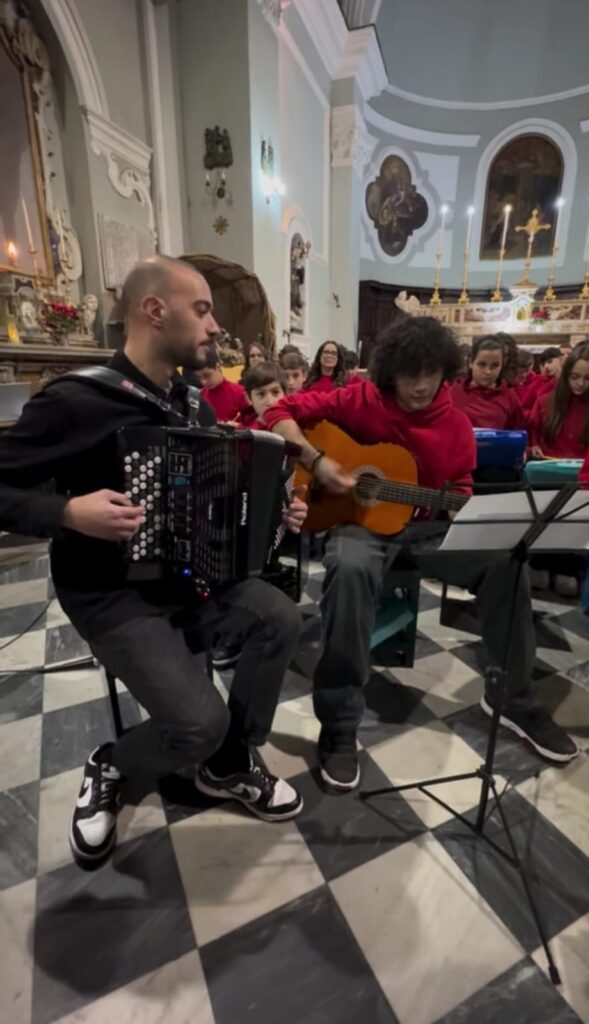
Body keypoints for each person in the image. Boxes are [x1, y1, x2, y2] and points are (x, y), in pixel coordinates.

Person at [0, 256, 308, 863]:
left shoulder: (194, 406)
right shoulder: (75, 401)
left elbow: (228, 498)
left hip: (186, 578)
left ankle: (227, 761)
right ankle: (113, 764)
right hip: (109, 593)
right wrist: (68, 513)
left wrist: (276, 516)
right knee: (197, 722)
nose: (215, 325)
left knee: (280, 618)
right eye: (202, 310)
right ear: (153, 311)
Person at [264, 316, 578, 790]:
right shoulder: (361, 399)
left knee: (504, 562)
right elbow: (278, 412)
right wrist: (317, 461)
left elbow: (462, 488)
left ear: (446, 371)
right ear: (390, 373)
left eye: (430, 373)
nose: (419, 385)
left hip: (431, 531)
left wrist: (463, 511)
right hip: (364, 528)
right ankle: (340, 723)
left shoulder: (454, 425)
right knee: (347, 570)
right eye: (409, 375)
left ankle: (512, 698)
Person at [451, 335, 525, 430]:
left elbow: (518, 435)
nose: (488, 371)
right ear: (470, 362)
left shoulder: (509, 398)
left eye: (494, 366)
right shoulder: (453, 392)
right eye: (482, 364)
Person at [197, 346, 249, 421]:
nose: (203, 382)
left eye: (207, 375)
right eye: (199, 377)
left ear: (218, 367)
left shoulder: (240, 393)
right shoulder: (200, 396)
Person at [520, 346, 562, 416]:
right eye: (544, 364)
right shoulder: (537, 383)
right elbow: (524, 408)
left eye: (549, 362)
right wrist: (535, 416)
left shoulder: (569, 381)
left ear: (560, 360)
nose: (546, 366)